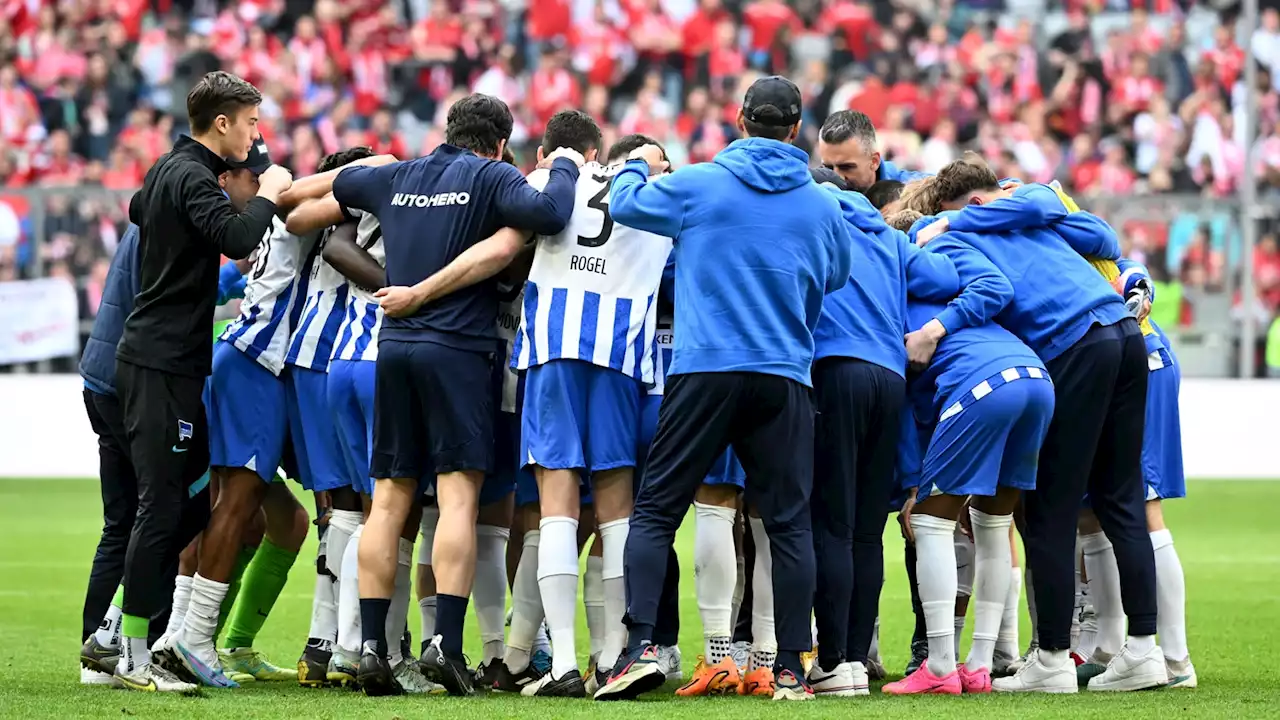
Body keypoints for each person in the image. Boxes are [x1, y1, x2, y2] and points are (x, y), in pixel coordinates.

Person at [597, 75, 853, 702]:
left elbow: (626, 202)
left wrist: (634, 163)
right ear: (796, 130)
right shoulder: (823, 202)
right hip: (783, 373)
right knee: (788, 525)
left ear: (740, 121)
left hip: (705, 367)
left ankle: (640, 649)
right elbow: (836, 275)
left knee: (657, 510)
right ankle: (791, 666)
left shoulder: (701, 183)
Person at [331, 92, 582, 696]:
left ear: (448, 129)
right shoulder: (494, 176)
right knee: (458, 498)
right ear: (499, 143)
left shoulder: (398, 176)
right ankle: (444, 641)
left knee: (387, 500)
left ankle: (370, 648)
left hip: (392, 346)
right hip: (459, 352)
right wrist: (568, 162)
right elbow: (549, 212)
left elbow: (338, 191)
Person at [909, 160, 1164, 693]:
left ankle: (1050, 659)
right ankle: (1144, 650)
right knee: (1121, 500)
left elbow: (995, 282)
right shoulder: (1036, 221)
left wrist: (949, 227)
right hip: (1124, 334)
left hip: (1074, 345)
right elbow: (1099, 235)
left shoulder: (974, 227)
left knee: (1050, 508)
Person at [100, 70, 291, 694]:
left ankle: (110, 631)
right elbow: (238, 237)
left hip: (167, 361)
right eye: (252, 123)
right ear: (222, 125)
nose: (255, 134)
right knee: (163, 506)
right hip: (161, 364)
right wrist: (271, 192)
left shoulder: (166, 171)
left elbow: (135, 209)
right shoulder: (189, 175)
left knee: (184, 506)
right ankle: (130, 651)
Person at [507, 110, 673, 698]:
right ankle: (613, 660)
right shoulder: (655, 194)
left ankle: (563, 666)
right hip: (623, 354)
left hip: (553, 348)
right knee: (616, 508)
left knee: (556, 503)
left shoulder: (547, 183)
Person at [156, 138, 312, 689]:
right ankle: (193, 638)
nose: (262, 185)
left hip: (240, 358)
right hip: (254, 365)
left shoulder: (270, 217)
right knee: (234, 506)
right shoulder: (292, 209)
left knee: (258, 514)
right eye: (254, 177)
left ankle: (182, 636)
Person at [883, 209, 1053, 695]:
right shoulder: (954, 287)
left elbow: (903, 405)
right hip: (1035, 378)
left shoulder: (895, 297)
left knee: (933, 523)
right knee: (993, 524)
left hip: (982, 384)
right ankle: (979, 664)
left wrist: (914, 485)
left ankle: (938, 666)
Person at [803, 168, 960, 697]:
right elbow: (943, 278)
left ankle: (831, 661)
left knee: (831, 522)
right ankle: (851, 660)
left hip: (836, 369)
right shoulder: (888, 237)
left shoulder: (813, 221)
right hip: (890, 377)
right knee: (868, 530)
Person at [77, 213, 247, 687]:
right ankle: (128, 641)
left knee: (124, 522)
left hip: (102, 376)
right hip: (139, 385)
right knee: (169, 510)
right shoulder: (178, 221)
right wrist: (235, 276)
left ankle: (99, 646)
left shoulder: (148, 215)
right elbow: (170, 304)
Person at [816, 111, 927, 192]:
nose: (837, 177)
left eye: (846, 167)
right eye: (828, 168)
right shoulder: (816, 191)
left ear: (874, 161)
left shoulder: (912, 190)